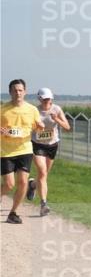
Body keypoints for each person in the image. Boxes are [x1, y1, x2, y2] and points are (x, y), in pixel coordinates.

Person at [2, 80, 45, 224]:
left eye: (20, 90)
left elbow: (38, 129)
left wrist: (40, 126)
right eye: (15, 90)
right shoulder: (3, 110)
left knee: (23, 182)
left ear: (25, 92)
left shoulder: (32, 110)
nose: (18, 93)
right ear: (10, 92)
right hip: (6, 151)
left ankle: (13, 213)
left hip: (25, 150)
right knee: (9, 184)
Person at [28, 87, 72, 215]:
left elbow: (67, 127)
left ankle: (32, 185)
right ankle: (43, 205)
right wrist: (37, 128)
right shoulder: (35, 111)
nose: (47, 102)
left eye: (49, 99)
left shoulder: (57, 109)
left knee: (44, 175)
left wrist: (56, 119)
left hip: (52, 145)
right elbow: (29, 127)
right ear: (40, 99)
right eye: (45, 99)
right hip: (38, 144)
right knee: (42, 171)